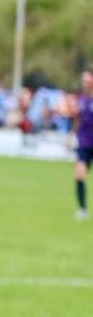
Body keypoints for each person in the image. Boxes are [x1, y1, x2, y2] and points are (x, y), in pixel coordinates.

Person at [74, 70, 92, 221]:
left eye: (87, 80)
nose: (85, 83)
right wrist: (71, 136)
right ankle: (82, 209)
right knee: (79, 173)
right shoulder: (81, 99)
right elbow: (78, 119)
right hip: (85, 142)